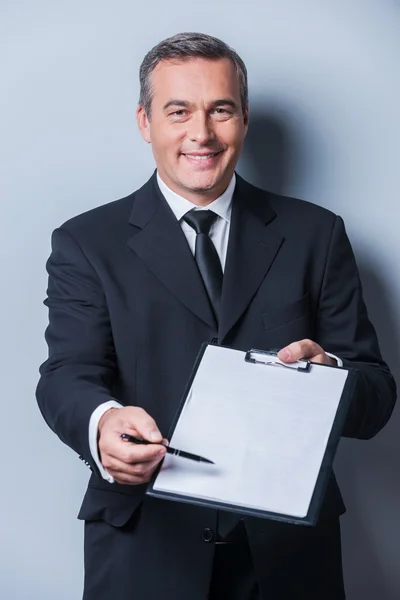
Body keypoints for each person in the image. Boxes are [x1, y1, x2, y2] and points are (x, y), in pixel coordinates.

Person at [36, 32, 396, 600]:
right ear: (145, 122)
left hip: (289, 558)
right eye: (178, 112)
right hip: (145, 549)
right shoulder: (86, 242)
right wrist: (102, 422)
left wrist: (329, 375)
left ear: (244, 119)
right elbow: (66, 375)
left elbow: (376, 396)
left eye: (220, 110)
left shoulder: (317, 235)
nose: (200, 134)